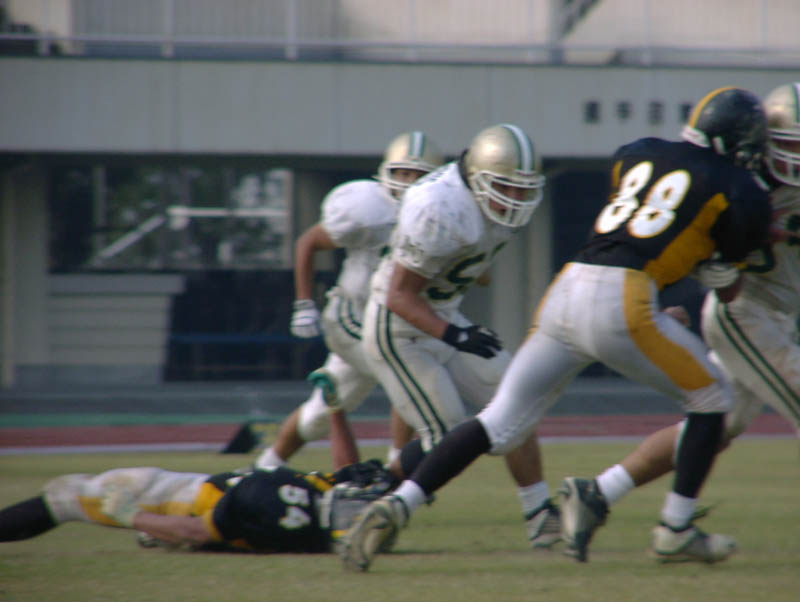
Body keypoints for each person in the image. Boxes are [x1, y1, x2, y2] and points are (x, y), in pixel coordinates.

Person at [340, 87, 773, 572]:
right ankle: (675, 529)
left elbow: (646, 224)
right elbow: (727, 288)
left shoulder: (639, 153)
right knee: (713, 402)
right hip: (625, 300)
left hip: (567, 288)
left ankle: (397, 505)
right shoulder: (740, 188)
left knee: (498, 421)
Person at [555, 81, 800, 563]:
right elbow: (678, 243)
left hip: (775, 316)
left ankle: (599, 493)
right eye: (791, 144)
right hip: (744, 313)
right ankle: (672, 528)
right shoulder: (737, 185)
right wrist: (661, 296)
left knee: (717, 427)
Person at [357, 123, 559, 552]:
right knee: (446, 435)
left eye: (524, 189)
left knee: (516, 401)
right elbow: (399, 295)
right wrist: (456, 334)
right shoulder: (440, 206)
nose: (515, 198)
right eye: (506, 187)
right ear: (478, 178)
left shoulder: (486, 204)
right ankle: (375, 493)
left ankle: (541, 515)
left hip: (444, 316)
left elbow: (469, 265)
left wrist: (464, 285)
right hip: (399, 329)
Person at [254, 131, 444, 471]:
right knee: (408, 371)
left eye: (418, 175)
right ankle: (398, 471)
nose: (408, 182)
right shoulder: (369, 209)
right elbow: (308, 242)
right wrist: (303, 304)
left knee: (316, 417)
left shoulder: (442, 217)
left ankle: (264, 467)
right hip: (352, 318)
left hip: (396, 321)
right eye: (402, 172)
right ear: (386, 172)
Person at [0, 412, 401, 554]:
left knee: (66, 497)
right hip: (213, 495)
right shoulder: (326, 512)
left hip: (181, 499)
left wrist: (133, 516)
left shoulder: (268, 502)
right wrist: (336, 410)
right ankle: (157, 534)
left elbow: (197, 530)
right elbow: (347, 471)